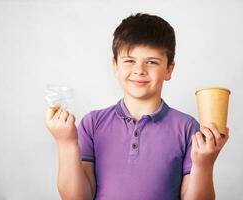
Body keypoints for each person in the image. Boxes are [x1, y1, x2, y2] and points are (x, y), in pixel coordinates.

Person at [45, 12, 229, 200]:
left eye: (151, 62)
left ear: (169, 69)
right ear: (115, 66)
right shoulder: (92, 124)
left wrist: (204, 164)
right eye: (129, 61)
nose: (139, 70)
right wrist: (66, 143)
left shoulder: (187, 128)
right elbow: (77, 197)